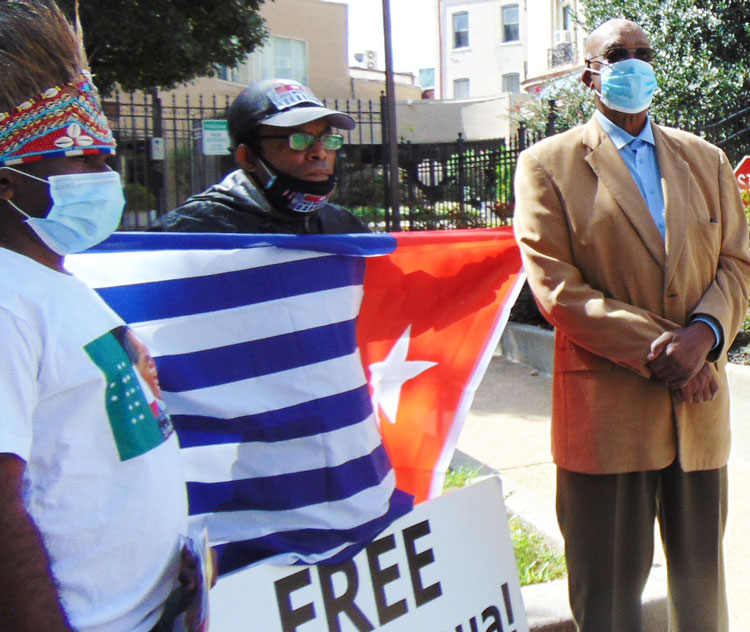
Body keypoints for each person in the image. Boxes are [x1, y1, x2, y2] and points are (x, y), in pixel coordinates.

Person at [513, 18, 750, 632]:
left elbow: (737, 264)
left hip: (699, 416)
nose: (633, 63)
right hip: (607, 419)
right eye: (618, 54)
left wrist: (704, 337)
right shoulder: (547, 166)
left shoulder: (706, 159)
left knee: (701, 598)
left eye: (644, 52)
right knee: (609, 598)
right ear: (589, 73)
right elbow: (559, 291)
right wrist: (667, 353)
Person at [0, 2, 192, 630]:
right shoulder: (6, 301)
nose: (105, 176)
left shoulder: (52, 278)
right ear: (6, 185)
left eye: (106, 157)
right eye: (79, 159)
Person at [152, 78, 370, 234]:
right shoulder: (191, 232)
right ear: (247, 157)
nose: (320, 153)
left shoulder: (344, 227)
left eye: (326, 139)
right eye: (299, 139)